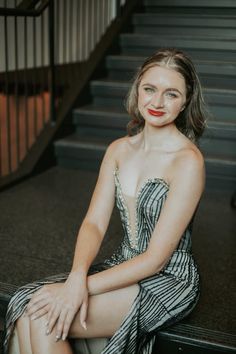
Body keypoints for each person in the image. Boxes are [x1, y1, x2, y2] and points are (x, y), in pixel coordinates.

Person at [4, 48, 207, 354]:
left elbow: (156, 259)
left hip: (167, 279)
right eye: (149, 89)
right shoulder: (118, 150)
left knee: (45, 317)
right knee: (29, 306)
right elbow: (94, 223)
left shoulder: (188, 161)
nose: (157, 102)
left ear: (186, 101)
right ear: (137, 89)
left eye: (171, 94)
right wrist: (76, 275)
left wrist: (80, 288)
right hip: (123, 263)